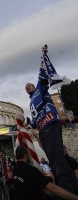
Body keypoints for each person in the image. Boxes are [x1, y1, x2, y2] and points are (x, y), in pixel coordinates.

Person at [25, 44, 78, 194]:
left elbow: (42, 74)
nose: (27, 87)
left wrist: (44, 55)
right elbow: (34, 121)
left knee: (56, 160)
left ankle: (66, 190)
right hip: (43, 129)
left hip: (50, 124)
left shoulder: (40, 89)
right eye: (26, 87)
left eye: (29, 85)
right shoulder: (31, 103)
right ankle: (73, 188)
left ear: (33, 87)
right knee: (56, 158)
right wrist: (28, 127)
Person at [13, 145, 78, 200]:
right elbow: (52, 188)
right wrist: (75, 197)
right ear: (25, 155)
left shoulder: (15, 169)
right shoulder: (30, 169)